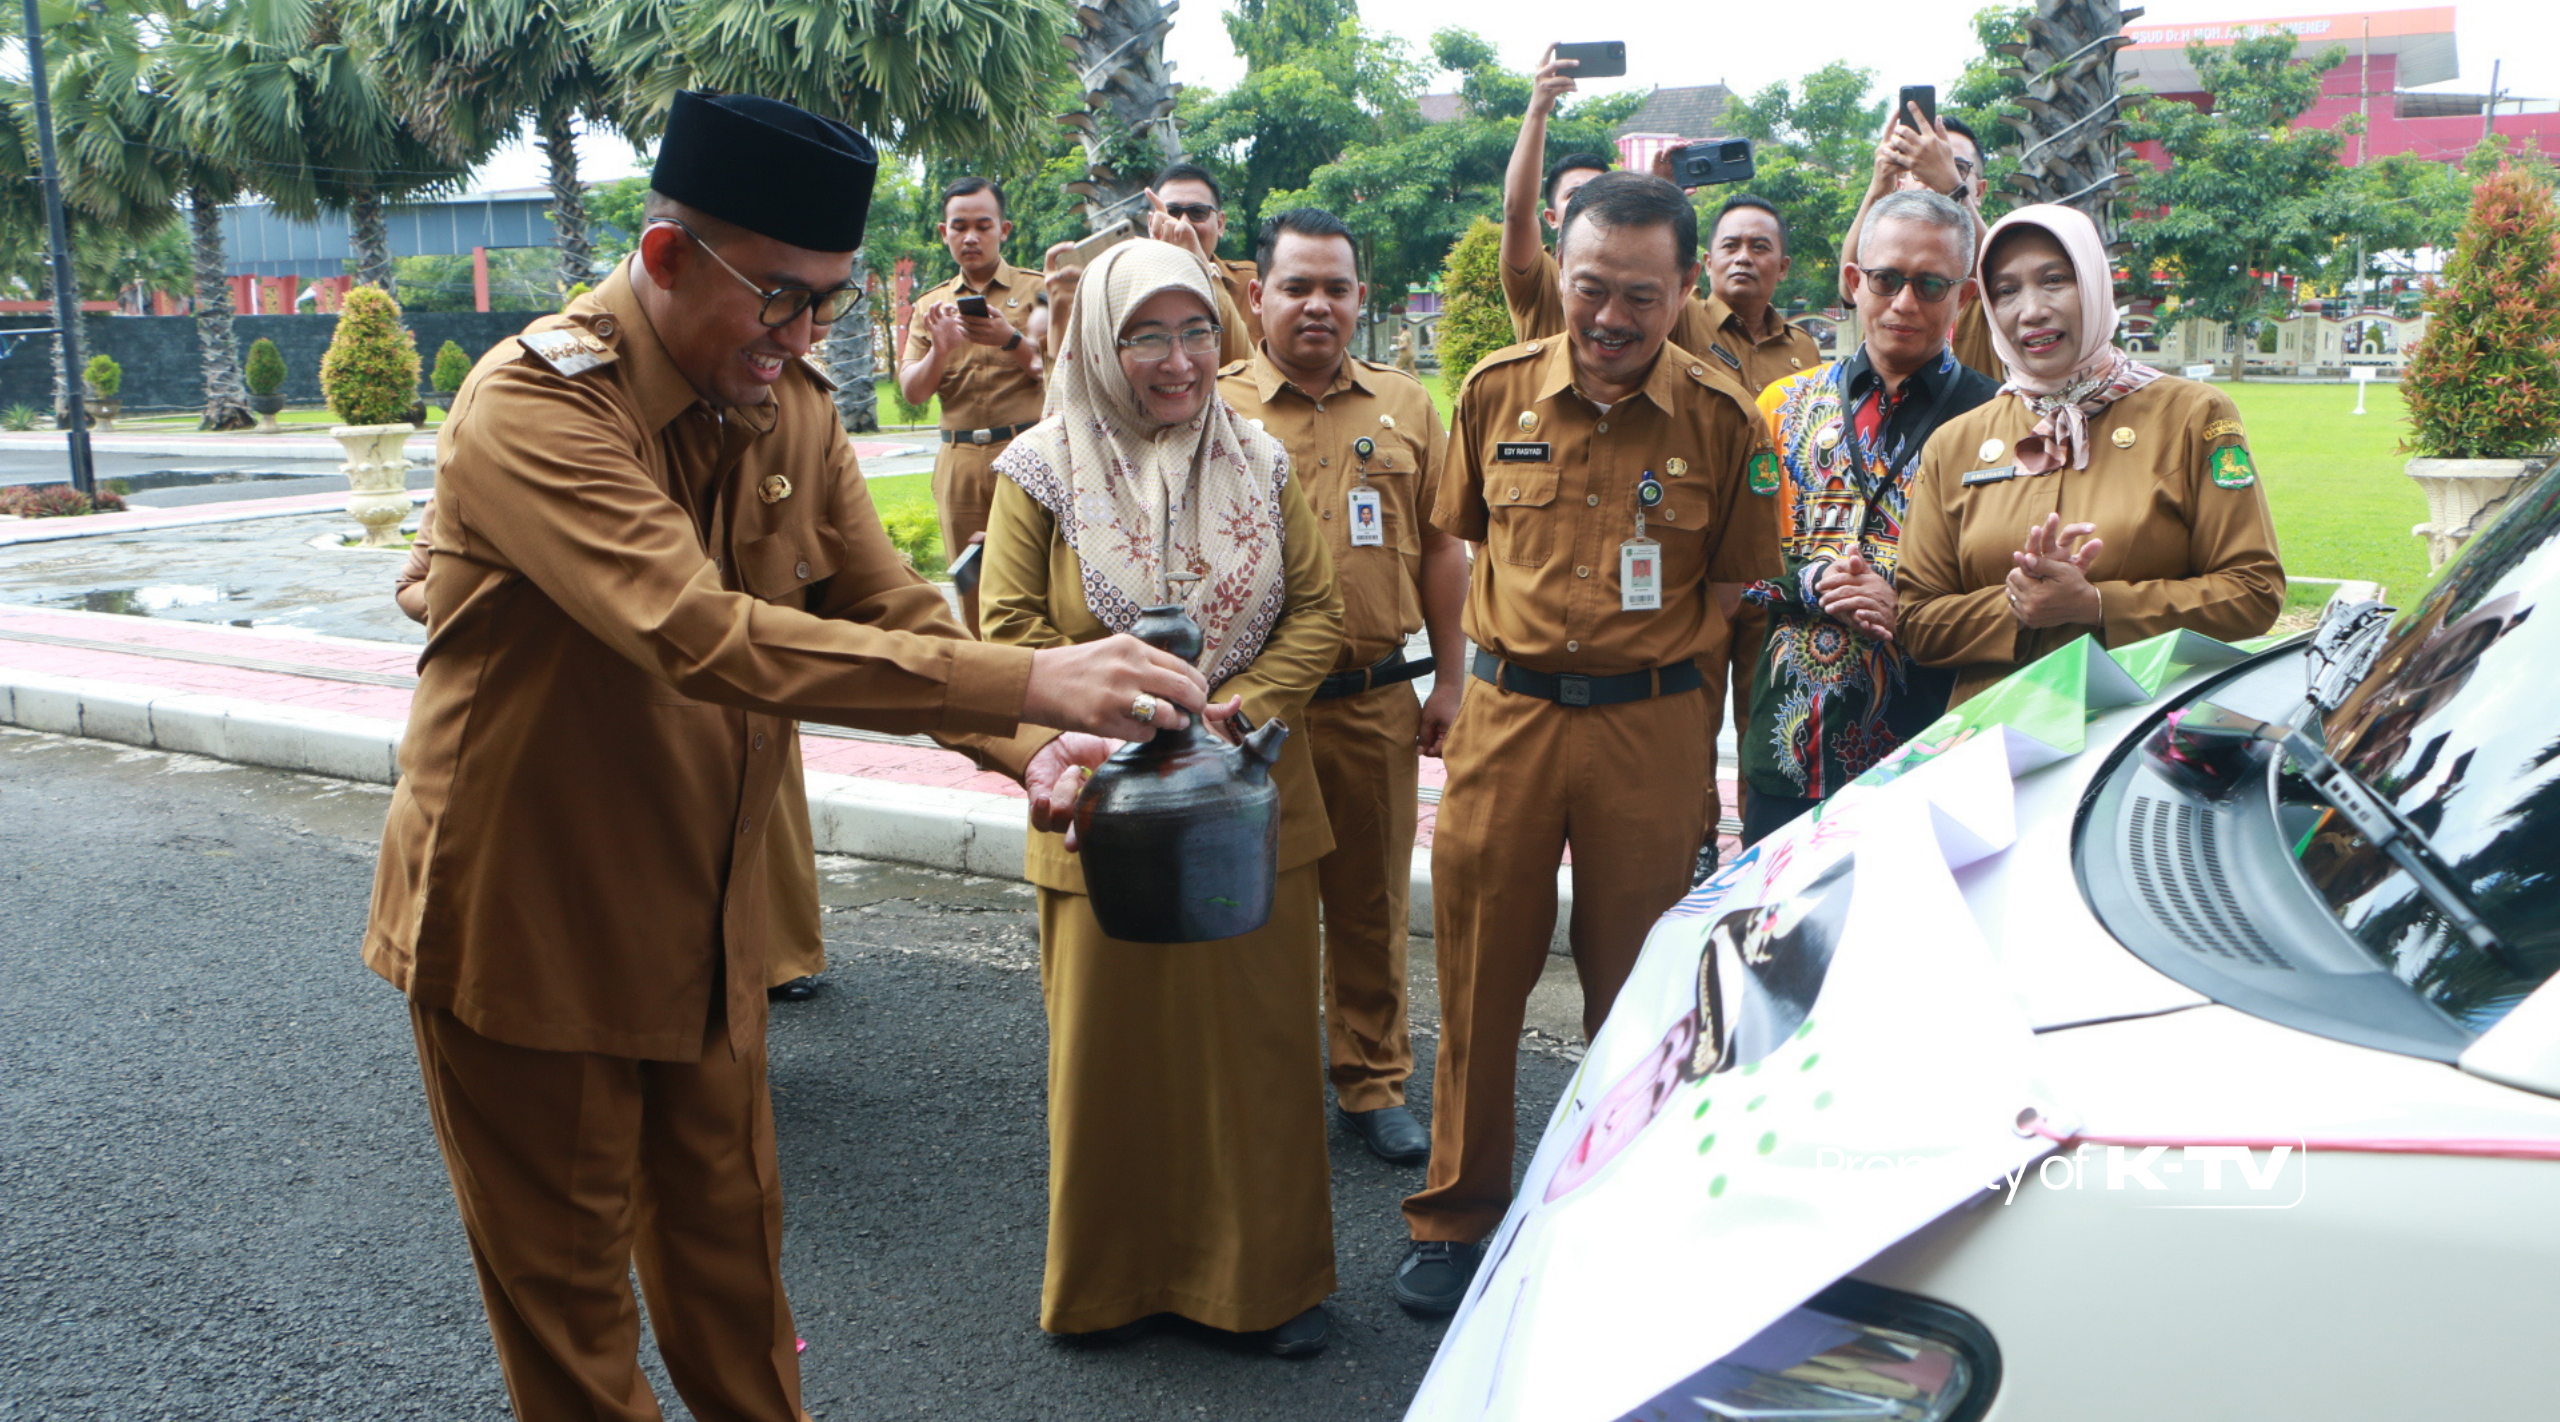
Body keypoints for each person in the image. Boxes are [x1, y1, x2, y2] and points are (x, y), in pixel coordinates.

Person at [364, 91, 1212, 1422]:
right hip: (521, 928)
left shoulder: (785, 400)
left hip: (702, 929)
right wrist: (1037, 668)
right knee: (576, 1330)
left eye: (829, 301)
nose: (807, 335)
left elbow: (880, 607)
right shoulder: (535, 406)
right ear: (661, 258)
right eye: (779, 298)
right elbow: (707, 638)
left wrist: (1036, 744)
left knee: (736, 1282)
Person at [1397, 171, 1782, 1314]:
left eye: (1642, 297)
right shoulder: (1493, 393)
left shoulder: (1722, 419)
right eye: (1591, 289)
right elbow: (1457, 547)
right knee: (1477, 975)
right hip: (1508, 724)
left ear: (1683, 291)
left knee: (1633, 985)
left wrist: (1654, 670)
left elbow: (1736, 587)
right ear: (1560, 276)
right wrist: (1464, 681)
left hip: (1649, 734)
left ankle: (1613, 1207)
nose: (1611, 319)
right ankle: (1457, 1216)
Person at [981, 238, 1347, 1357]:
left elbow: (1318, 614)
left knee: (1261, 1055)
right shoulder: (1038, 468)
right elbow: (1006, 636)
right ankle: (1113, 1285)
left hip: (1245, 797)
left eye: (1195, 332)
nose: (1177, 360)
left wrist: (1235, 708)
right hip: (1106, 807)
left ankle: (1264, 1288)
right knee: (1112, 1058)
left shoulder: (1262, 460)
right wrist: (1111, 720)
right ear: (1101, 340)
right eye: (1146, 334)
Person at [1216, 207, 1468, 1168]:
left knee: (1369, 905)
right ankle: (1263, 1082)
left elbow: (1445, 547)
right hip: (1248, 710)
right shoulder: (1216, 402)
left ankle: (1372, 1083)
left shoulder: (1406, 407)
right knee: (1254, 910)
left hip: (1373, 699)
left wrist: (1452, 677)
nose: (1318, 304)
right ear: (1257, 296)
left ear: (1361, 298)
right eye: (1297, 285)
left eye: (1336, 287)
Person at [1899, 203, 2285, 708]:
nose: (2031, 309)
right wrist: (2019, 606)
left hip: (2141, 737)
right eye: (2007, 290)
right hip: (1994, 747)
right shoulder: (1955, 443)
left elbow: (2252, 592)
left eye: (2055, 280)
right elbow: (1915, 623)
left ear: (2096, 284)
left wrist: (2098, 604)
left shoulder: (2193, 415)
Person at [1739, 190, 2002, 843]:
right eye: (1886, 279)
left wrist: (1903, 602)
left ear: (1963, 297)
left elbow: (2010, 586)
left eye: (1931, 284)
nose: (1905, 303)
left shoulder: (2000, 421)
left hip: (1937, 744)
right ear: (1855, 282)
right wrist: (1813, 581)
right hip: (1792, 745)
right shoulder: (1781, 406)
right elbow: (1733, 560)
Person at [898, 176, 1046, 634]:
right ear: (944, 233)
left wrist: (1012, 340)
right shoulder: (931, 307)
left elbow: (1058, 369)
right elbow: (912, 392)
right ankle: (988, 688)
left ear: (1005, 229)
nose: (970, 237)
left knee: (1035, 578)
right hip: (960, 462)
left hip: (1026, 453)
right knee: (971, 583)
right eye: (958, 226)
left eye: (983, 225)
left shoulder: (1040, 291)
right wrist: (940, 349)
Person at [1841, 105, 2002, 383]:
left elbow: (2003, 274)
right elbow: (1847, 290)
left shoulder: (1989, 266)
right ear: (1900, 184)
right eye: (1919, 167)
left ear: (1980, 191)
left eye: (1957, 167)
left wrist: (1953, 188)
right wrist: (1879, 186)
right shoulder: (1880, 247)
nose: (1932, 177)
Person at [1151, 162, 1262, 362]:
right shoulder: (1128, 290)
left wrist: (1204, 272)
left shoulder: (1254, 284)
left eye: (1198, 212)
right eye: (1172, 212)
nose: (1183, 224)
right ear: (1152, 223)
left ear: (1220, 224)